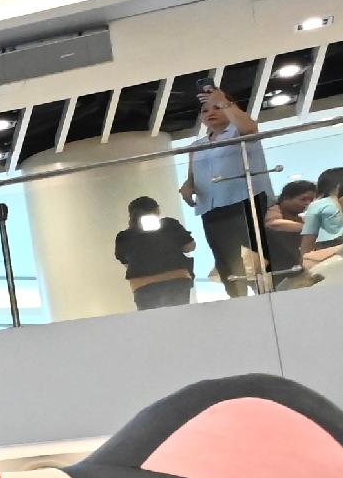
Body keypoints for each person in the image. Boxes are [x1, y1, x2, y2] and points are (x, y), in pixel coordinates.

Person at [181, 82, 273, 295]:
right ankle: (237, 296)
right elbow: (192, 177)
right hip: (212, 207)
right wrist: (187, 187)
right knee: (225, 256)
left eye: (216, 108)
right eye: (205, 110)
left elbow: (250, 128)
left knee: (255, 252)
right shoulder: (197, 145)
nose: (210, 113)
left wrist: (222, 100)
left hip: (243, 200)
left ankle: (268, 292)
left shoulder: (238, 131)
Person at [112, 197, 196, 308]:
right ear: (157, 210)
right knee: (178, 318)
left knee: (152, 322)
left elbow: (126, 263)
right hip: (176, 279)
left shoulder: (123, 236)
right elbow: (189, 247)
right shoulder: (169, 224)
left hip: (142, 285)